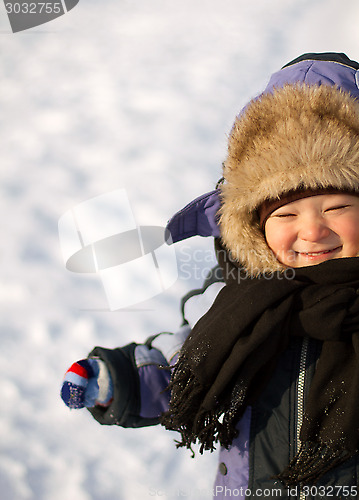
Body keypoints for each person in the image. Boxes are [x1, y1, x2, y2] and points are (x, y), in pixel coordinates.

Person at [61, 52, 359, 499]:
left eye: (336, 207)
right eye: (286, 212)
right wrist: (118, 377)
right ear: (253, 225)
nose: (312, 229)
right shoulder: (236, 304)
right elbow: (187, 365)